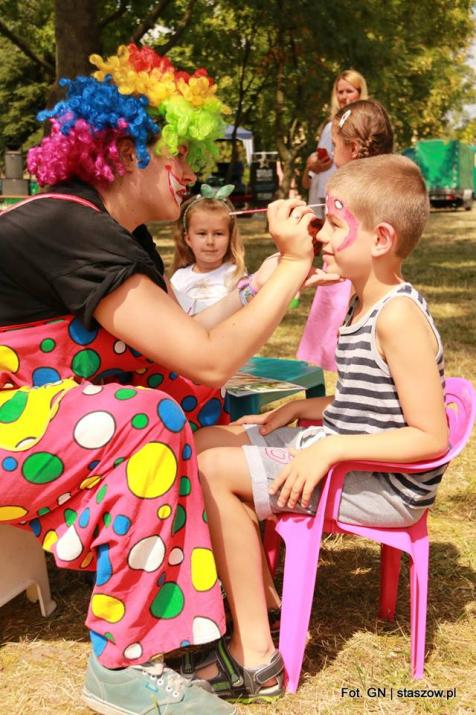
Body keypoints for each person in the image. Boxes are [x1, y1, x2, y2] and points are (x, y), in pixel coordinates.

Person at [0, 43, 338, 715]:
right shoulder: (68, 224)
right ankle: (121, 667)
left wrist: (266, 278)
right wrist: (295, 267)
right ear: (128, 154)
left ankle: (216, 612)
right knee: (150, 417)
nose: (192, 173)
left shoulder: (114, 234)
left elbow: (187, 352)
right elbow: (207, 354)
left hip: (33, 426)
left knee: (183, 397)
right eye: (179, 154)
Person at [189, 154, 449, 703]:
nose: (322, 236)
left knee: (213, 469)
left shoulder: (397, 316)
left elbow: (430, 437)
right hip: (349, 459)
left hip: (380, 486)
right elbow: (373, 402)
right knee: (204, 442)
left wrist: (328, 451)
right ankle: (258, 592)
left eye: (333, 223)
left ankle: (254, 654)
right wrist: (304, 411)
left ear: (379, 238)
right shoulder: (363, 302)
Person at [298, 98, 394, 371]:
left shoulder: (345, 187)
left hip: (353, 288)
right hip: (359, 281)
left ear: (352, 148)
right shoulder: (384, 182)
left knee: (349, 355)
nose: (332, 150)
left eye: (336, 144)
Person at [301, 69, 368, 220]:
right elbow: (307, 181)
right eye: (340, 92)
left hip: (346, 201)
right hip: (320, 202)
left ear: (360, 92)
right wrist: (310, 167)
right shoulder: (328, 127)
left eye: (349, 91)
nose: (344, 97)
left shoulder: (365, 124)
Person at [170, 186, 246, 315]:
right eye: (201, 233)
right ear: (188, 239)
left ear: (230, 237)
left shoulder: (235, 276)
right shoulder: (178, 279)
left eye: (218, 234)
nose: (210, 242)